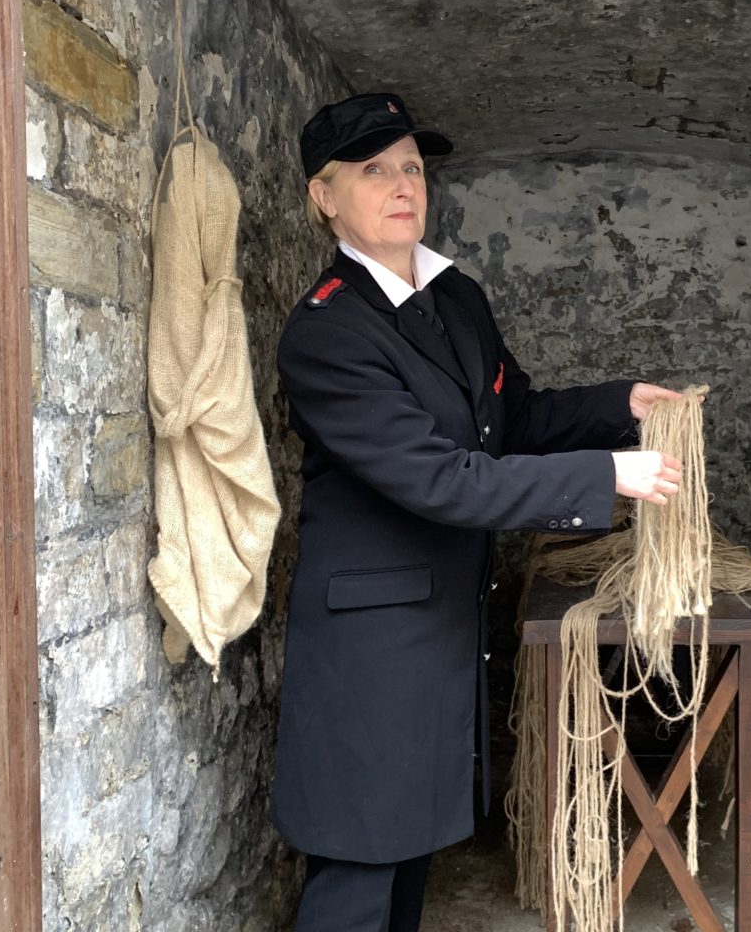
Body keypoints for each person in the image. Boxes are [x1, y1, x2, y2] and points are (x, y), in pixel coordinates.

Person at [271, 91, 685, 932]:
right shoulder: (327, 333)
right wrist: (605, 475)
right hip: (370, 649)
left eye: (413, 167)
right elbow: (442, 479)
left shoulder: (456, 298)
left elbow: (513, 421)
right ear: (325, 196)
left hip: (442, 627)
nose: (401, 185)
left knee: (410, 855)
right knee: (358, 867)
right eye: (373, 169)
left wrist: (619, 406)